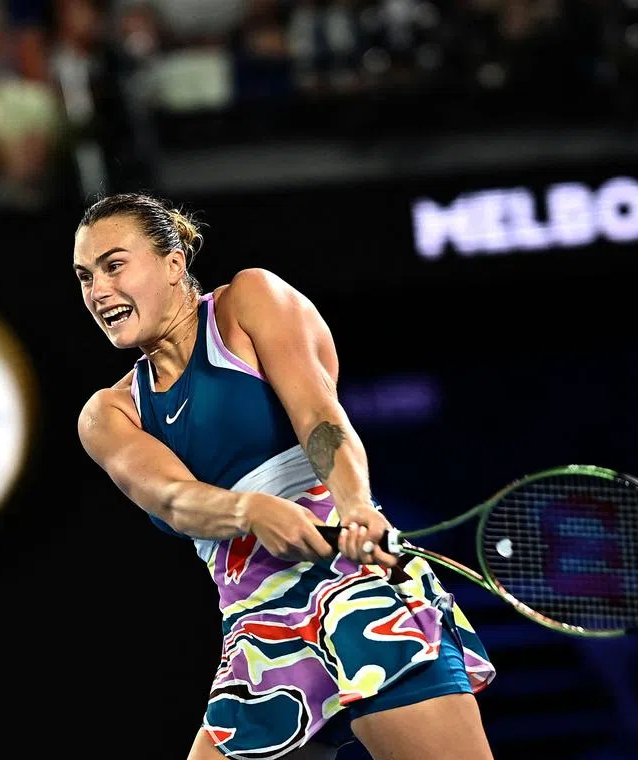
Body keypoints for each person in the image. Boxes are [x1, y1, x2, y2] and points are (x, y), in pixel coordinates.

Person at [73, 193, 497, 760]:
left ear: (174, 262)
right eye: (85, 277)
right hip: (259, 631)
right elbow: (174, 499)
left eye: (114, 265)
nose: (98, 291)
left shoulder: (250, 301)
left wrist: (356, 505)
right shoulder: (110, 414)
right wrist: (248, 511)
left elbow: (320, 417)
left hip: (357, 588)